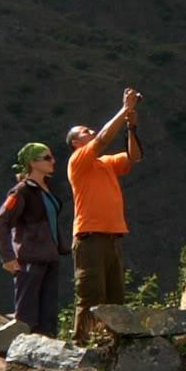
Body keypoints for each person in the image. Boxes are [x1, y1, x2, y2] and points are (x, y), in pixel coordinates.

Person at [66, 88, 143, 341]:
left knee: (114, 296)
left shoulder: (106, 164)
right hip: (89, 238)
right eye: (84, 132)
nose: (90, 133)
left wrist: (131, 127)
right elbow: (103, 138)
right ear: (77, 143)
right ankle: (83, 344)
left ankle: (110, 342)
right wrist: (124, 109)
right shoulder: (78, 161)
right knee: (90, 293)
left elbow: (134, 157)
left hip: (112, 237)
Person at [0, 142, 70, 336]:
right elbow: (0, 221)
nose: (53, 161)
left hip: (50, 257)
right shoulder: (21, 191)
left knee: (48, 311)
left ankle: (48, 351)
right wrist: (7, 257)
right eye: (47, 158)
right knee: (27, 312)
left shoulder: (46, 190)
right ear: (33, 163)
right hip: (31, 258)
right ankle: (22, 352)